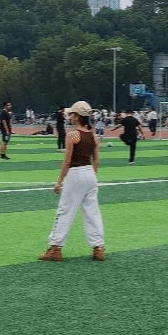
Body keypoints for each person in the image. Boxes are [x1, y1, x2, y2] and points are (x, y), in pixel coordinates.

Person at [38, 101, 106, 262]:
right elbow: (96, 159)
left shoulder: (72, 135)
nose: (69, 116)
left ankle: (55, 248)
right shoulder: (93, 135)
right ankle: (98, 247)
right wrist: (91, 175)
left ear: (77, 116)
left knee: (65, 210)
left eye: (71, 114)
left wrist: (59, 182)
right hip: (90, 173)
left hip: (75, 173)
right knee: (92, 212)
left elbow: (67, 161)